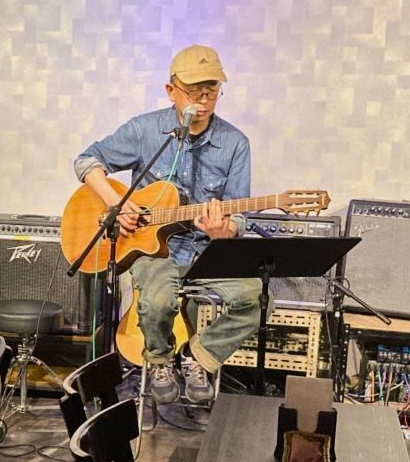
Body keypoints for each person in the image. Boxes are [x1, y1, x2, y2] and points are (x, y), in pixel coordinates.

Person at [74, 44, 266, 403]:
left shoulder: (235, 143)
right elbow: (86, 161)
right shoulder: (145, 130)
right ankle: (160, 359)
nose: (204, 101)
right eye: (194, 92)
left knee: (255, 297)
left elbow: (238, 219)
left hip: (205, 251)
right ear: (171, 90)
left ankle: (199, 356)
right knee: (158, 302)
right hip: (153, 252)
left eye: (211, 91)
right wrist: (117, 202)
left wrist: (222, 230)